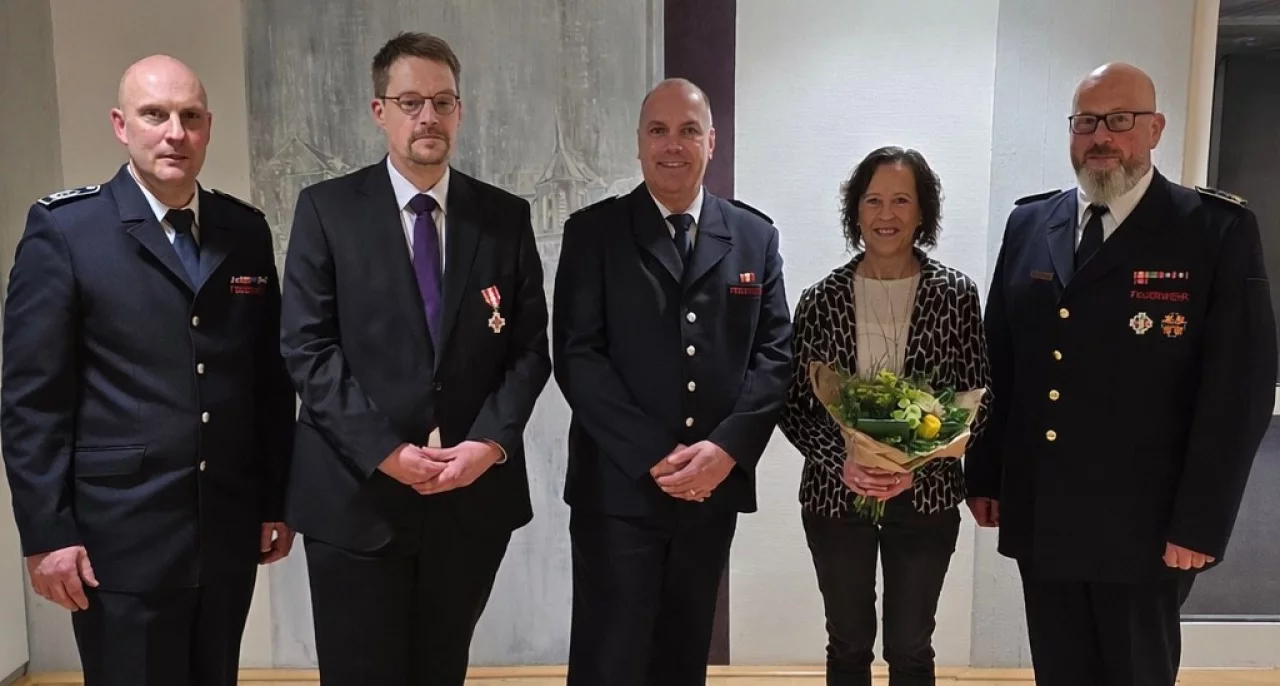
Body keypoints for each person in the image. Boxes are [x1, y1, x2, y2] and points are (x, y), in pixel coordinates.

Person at [969, 62, 1277, 686]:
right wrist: (986, 473)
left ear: (1155, 129)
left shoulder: (1212, 229)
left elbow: (1237, 390)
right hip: (1045, 507)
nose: (1101, 137)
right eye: (1086, 122)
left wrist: (1202, 520)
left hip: (1147, 521)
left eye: (1119, 120)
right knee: (1060, 669)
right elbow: (999, 360)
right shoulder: (1031, 223)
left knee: (1137, 672)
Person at [0, 55, 296, 686]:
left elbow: (268, 383)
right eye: (155, 115)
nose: (174, 134)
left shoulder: (244, 230)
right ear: (121, 125)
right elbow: (32, 399)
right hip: (119, 538)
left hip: (225, 529)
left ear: (208, 127)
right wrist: (47, 533)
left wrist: (275, 498)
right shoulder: (67, 230)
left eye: (190, 117)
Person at [278, 31, 550, 685]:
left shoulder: (504, 218)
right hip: (356, 496)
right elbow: (308, 349)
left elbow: (529, 350)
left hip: (468, 501)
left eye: (442, 102)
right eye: (410, 102)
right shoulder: (327, 211)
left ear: (459, 111)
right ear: (380, 111)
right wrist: (386, 452)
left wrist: (488, 444)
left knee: (440, 668)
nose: (428, 116)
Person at [551, 77, 792, 686]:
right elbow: (578, 357)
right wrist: (654, 455)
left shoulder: (754, 236)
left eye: (688, 131)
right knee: (610, 660)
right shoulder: (595, 232)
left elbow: (774, 356)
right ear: (639, 143)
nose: (673, 145)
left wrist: (726, 451)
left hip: (710, 490)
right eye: (658, 131)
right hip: (618, 489)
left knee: (683, 656)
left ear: (711, 141)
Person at [777, 146, 991, 686]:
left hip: (927, 497)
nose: (886, 214)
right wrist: (843, 462)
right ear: (856, 211)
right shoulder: (821, 299)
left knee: (911, 645)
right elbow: (793, 405)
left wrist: (917, 460)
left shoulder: (956, 295)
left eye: (901, 200)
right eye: (873, 201)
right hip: (835, 498)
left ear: (923, 213)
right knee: (848, 643)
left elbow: (979, 397)